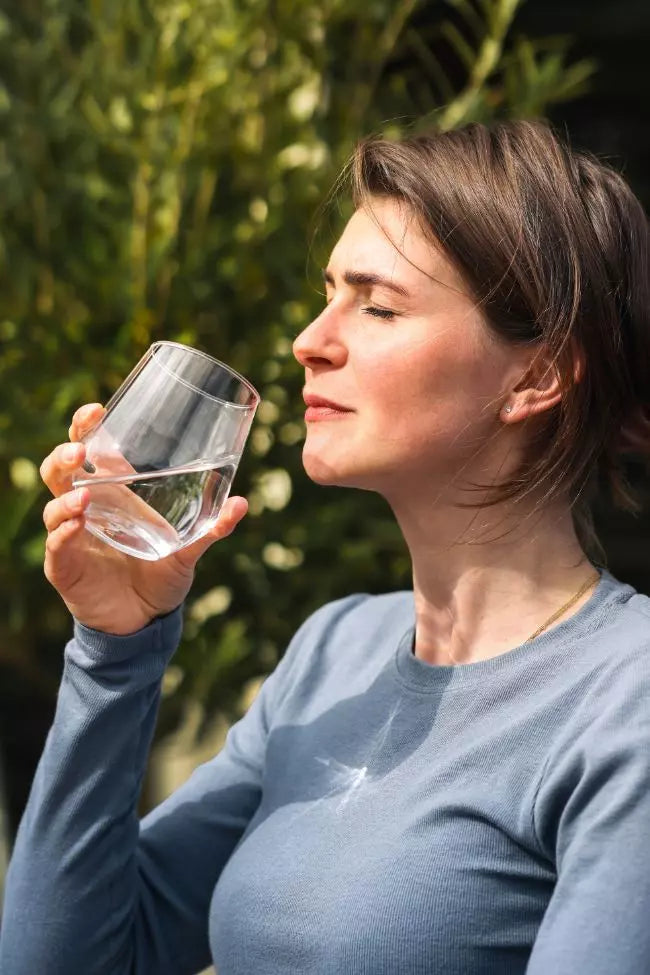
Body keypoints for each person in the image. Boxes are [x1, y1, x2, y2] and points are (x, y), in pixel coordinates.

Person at [2, 119, 650, 975]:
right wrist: (115, 649)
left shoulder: (625, 700)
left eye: (377, 305)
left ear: (535, 376)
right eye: (329, 292)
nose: (311, 339)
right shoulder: (334, 651)